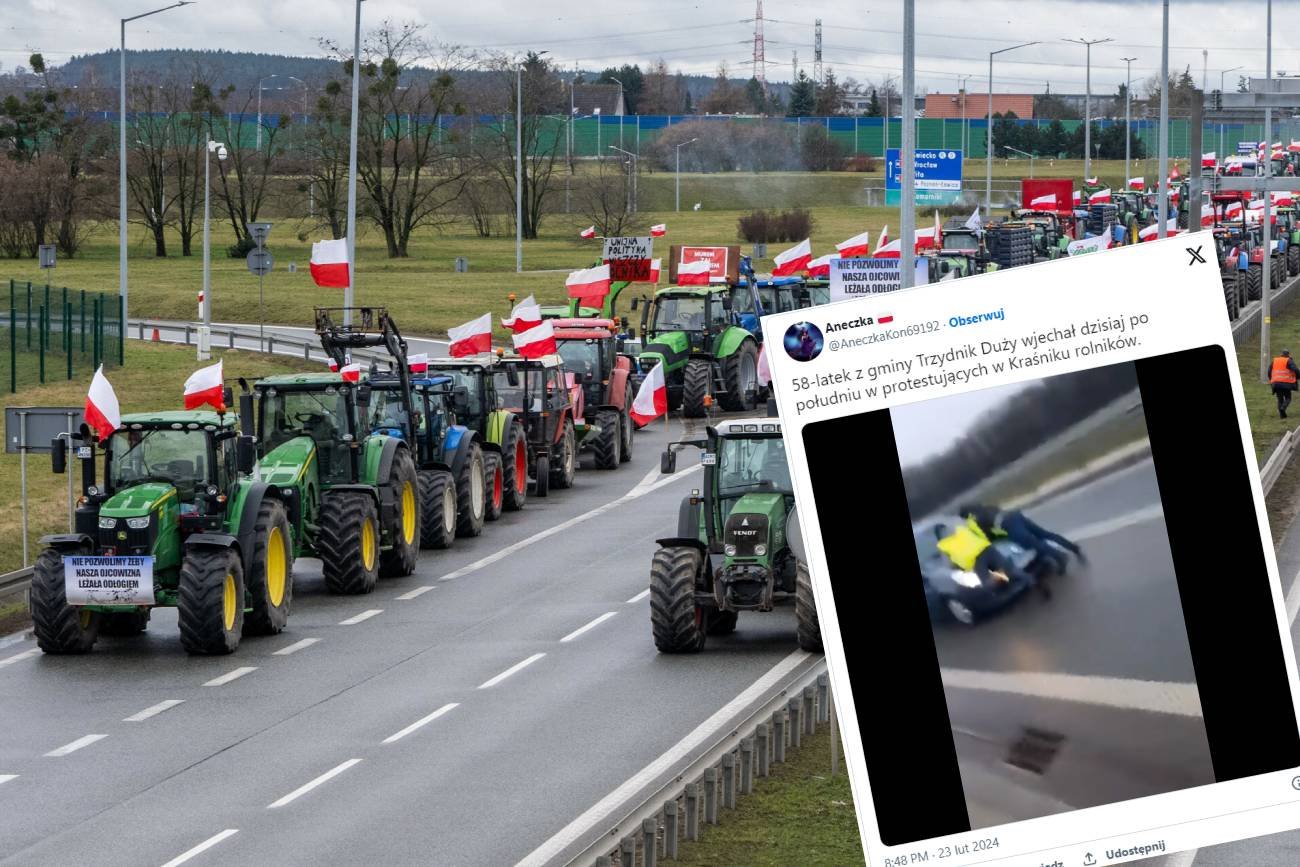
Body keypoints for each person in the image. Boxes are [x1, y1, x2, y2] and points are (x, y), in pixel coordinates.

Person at [959, 503, 1085, 576]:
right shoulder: (986, 507)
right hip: (1015, 516)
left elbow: (989, 536)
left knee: (1034, 544)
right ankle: (1074, 548)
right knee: (1044, 534)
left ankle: (1060, 557)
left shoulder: (977, 519)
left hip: (1008, 524)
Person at [934, 520, 1039, 593]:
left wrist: (964, 568)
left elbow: (949, 562)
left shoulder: (942, 545)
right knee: (1011, 569)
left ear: (938, 535)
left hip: (976, 559)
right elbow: (977, 533)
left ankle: (1003, 577)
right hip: (987, 548)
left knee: (987, 584)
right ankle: (1030, 580)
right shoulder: (960, 530)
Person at [1270, 349, 1299, 419]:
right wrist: (1298, 376)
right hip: (1286, 382)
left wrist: (1271, 379)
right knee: (1288, 398)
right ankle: (1283, 408)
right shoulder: (1289, 361)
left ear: (1281, 354)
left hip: (1276, 383)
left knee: (1280, 399)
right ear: (1288, 355)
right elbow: (1295, 369)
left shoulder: (1275, 361)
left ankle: (1282, 416)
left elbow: (1269, 370)